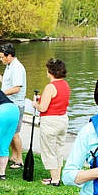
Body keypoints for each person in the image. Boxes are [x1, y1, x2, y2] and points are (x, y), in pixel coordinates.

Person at [33, 58, 70, 186]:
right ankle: (57, 177)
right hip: (63, 120)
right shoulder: (65, 84)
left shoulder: (50, 86)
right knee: (58, 149)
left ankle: (54, 180)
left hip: (50, 121)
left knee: (49, 150)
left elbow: (43, 107)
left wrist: (35, 103)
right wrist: (41, 98)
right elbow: (57, 99)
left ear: (50, 71)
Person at [0, 43, 25, 169]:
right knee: (10, 132)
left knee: (14, 133)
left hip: (16, 105)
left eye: (2, 57)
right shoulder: (9, 66)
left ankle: (19, 159)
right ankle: (13, 156)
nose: (1, 59)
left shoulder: (17, 68)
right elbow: (8, 83)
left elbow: (16, 88)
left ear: (9, 56)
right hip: (8, 104)